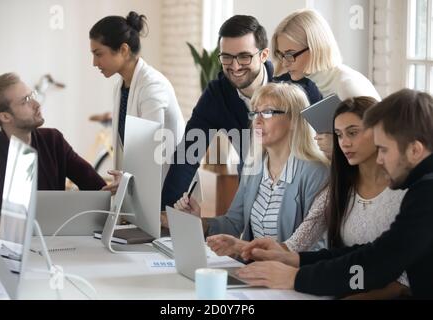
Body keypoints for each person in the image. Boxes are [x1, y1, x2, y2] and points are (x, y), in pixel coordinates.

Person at [237, 89, 433, 299]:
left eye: (383, 149)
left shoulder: (424, 193)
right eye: (339, 135)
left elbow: (379, 264)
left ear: (415, 150)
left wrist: (297, 277)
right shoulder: (421, 187)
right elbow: (368, 253)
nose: (379, 159)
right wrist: (296, 261)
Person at [172, 83, 329, 256]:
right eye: (255, 113)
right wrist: (198, 222)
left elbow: (318, 248)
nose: (258, 121)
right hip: (252, 267)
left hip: (288, 276)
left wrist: (245, 249)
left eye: (268, 112)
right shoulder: (253, 166)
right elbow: (233, 223)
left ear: (293, 120)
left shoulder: (316, 172)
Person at [160, 15, 274, 210]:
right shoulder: (217, 94)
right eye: (227, 57)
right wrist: (165, 212)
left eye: (244, 56)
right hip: (249, 198)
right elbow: (188, 155)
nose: (235, 66)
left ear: (263, 55)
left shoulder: (289, 86)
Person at [0, 73, 120, 229]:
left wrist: (117, 188)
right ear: (6, 117)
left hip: (52, 239)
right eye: (25, 101)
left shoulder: (53, 140)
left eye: (32, 95)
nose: (37, 104)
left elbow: (95, 186)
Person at [272, 9, 380, 159]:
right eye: (281, 55)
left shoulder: (347, 85)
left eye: (290, 54)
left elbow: (377, 144)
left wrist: (336, 146)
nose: (284, 62)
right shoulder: (321, 84)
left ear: (315, 47)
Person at [90, 11, 185, 176]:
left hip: (168, 185)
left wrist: (126, 181)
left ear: (124, 50)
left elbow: (150, 149)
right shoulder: (120, 86)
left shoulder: (152, 86)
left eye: (99, 54)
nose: (94, 63)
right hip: (143, 183)